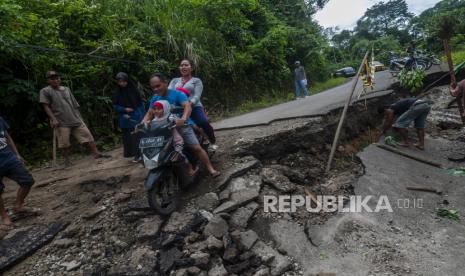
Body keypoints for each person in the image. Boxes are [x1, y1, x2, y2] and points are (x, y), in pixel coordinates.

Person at [143, 73, 221, 178]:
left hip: (180, 126)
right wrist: (141, 124)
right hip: (163, 129)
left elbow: (187, 106)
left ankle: (210, 169)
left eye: (158, 86)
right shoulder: (154, 98)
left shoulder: (177, 94)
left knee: (196, 148)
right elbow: (149, 113)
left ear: (165, 83)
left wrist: (183, 119)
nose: (156, 89)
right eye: (153, 87)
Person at [39, 70, 109, 166]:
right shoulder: (45, 91)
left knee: (87, 136)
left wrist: (80, 117)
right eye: (52, 79)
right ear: (48, 80)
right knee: (64, 143)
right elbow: (46, 106)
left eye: (56, 78)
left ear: (59, 79)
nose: (55, 80)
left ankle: (96, 153)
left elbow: (75, 104)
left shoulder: (66, 89)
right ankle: (67, 160)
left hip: (75, 118)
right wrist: (54, 119)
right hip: (60, 121)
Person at [168, 59, 217, 146]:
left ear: (191, 68)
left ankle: (211, 138)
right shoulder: (175, 81)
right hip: (177, 108)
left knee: (203, 121)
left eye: (186, 65)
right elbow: (169, 93)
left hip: (194, 107)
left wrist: (189, 104)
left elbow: (197, 96)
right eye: (182, 65)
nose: (183, 67)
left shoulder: (196, 81)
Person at [0, 116, 35, 230]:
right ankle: (5, 217)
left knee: (27, 181)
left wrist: (17, 154)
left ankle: (18, 206)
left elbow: (7, 137)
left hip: (9, 158)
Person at [112, 72, 146, 162]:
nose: (122, 83)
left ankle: (142, 155)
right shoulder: (117, 92)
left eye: (123, 81)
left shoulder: (134, 90)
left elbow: (140, 103)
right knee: (129, 139)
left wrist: (144, 117)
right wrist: (124, 109)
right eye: (119, 82)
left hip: (137, 117)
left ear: (127, 80)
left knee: (139, 136)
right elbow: (115, 105)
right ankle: (135, 155)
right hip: (126, 119)